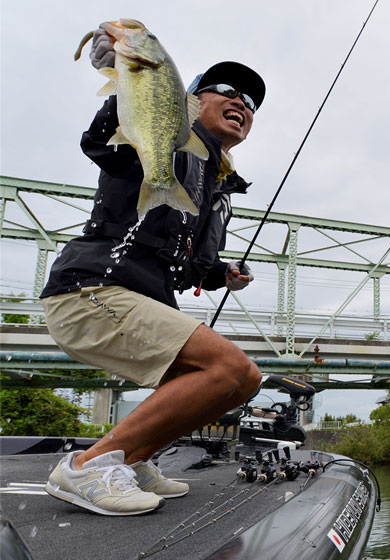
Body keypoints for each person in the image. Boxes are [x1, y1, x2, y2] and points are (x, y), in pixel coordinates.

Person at [39, 28, 265, 516]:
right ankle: (87, 468)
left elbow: (186, 266)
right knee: (228, 366)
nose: (241, 103)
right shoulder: (166, 143)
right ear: (190, 100)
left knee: (244, 381)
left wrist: (222, 273)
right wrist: (124, 78)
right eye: (227, 90)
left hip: (138, 297)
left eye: (250, 102)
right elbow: (103, 145)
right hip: (91, 291)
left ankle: (133, 458)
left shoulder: (212, 184)